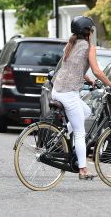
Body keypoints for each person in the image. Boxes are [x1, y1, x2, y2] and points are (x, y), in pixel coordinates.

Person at [52, 16, 111, 180]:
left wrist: (89, 80)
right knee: (80, 132)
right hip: (68, 94)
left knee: (85, 111)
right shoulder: (88, 47)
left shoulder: (71, 44)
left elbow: (72, 68)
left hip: (57, 90)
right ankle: (83, 170)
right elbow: (98, 70)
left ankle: (60, 135)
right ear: (89, 32)